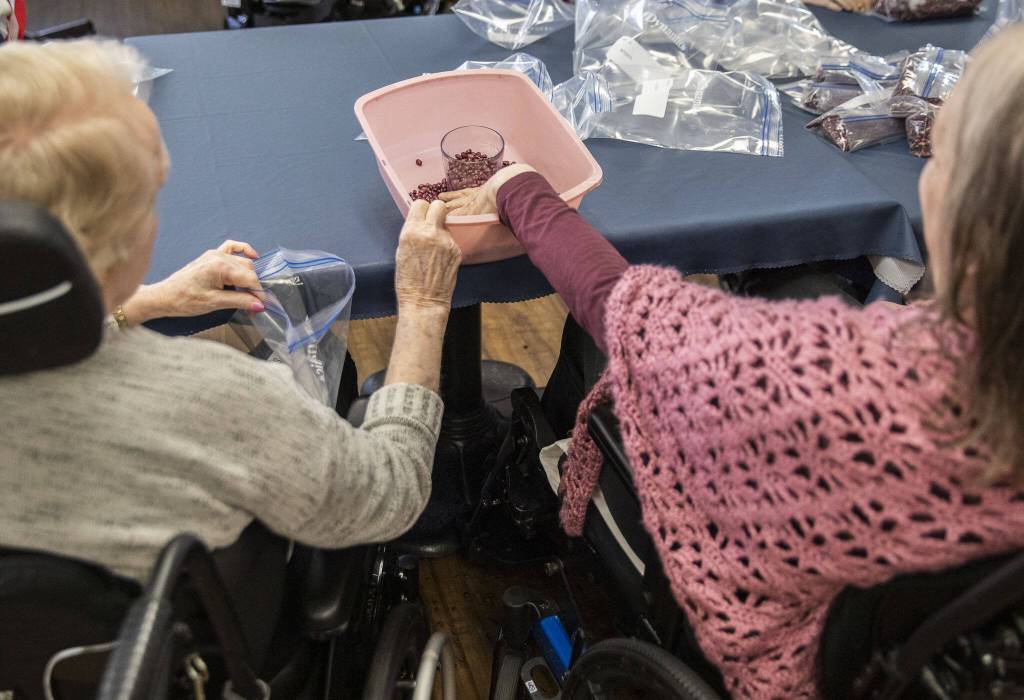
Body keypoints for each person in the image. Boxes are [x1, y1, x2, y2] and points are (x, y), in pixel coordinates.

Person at [442, 27, 1024, 700]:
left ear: (974, 218)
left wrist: (520, 190)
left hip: (806, 653)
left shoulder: (862, 390)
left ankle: (523, 512)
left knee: (592, 349)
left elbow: (628, 315)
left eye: (940, 164)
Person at [0, 36, 461, 625]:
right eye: (149, 203)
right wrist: (423, 304)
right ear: (115, 253)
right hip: (196, 648)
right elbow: (390, 492)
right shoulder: (218, 402)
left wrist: (143, 302)